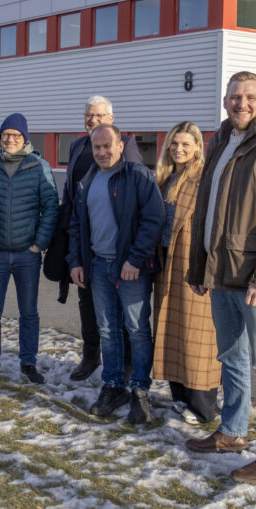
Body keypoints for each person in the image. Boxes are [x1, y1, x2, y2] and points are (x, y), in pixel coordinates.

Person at [185, 71, 256, 485]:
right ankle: (233, 432)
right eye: (235, 96)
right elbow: (206, 211)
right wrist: (199, 267)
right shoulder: (219, 143)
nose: (242, 103)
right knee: (231, 358)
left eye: (250, 97)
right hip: (222, 275)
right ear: (225, 101)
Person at [67, 124, 163, 424]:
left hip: (131, 269)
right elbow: (77, 225)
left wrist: (135, 259)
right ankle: (113, 385)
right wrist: (76, 262)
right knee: (107, 330)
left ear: (121, 146)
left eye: (107, 146)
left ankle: (140, 390)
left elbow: (153, 219)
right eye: (97, 147)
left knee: (137, 330)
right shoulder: (88, 179)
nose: (102, 152)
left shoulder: (138, 175)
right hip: (98, 266)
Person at [58, 95, 143, 382]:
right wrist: (68, 228)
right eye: (89, 115)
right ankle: (91, 355)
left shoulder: (125, 144)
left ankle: (127, 364)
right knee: (87, 301)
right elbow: (70, 190)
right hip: (84, 239)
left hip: (115, 242)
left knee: (120, 308)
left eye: (99, 115)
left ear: (111, 119)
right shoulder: (77, 146)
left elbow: (133, 193)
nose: (93, 120)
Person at [0, 113, 58, 388]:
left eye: (15, 135)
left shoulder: (38, 166)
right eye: (5, 135)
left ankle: (28, 363)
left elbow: (51, 207)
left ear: (25, 138)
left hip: (27, 254)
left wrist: (38, 244)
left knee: (29, 312)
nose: (10, 139)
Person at [152, 121, 219, 425]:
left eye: (185, 144)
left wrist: (208, 268)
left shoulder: (204, 178)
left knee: (196, 338)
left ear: (197, 147)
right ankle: (180, 397)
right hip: (167, 263)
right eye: (174, 144)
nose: (178, 149)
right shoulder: (166, 178)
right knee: (171, 332)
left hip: (192, 265)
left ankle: (203, 406)